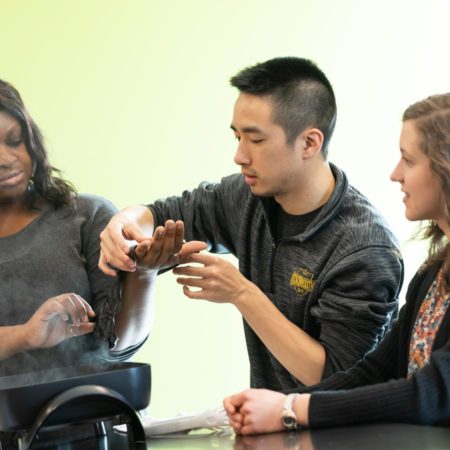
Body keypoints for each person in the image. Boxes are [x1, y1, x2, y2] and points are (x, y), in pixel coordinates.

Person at [99, 57, 403, 389]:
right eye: (237, 137)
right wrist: (122, 225)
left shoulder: (365, 249)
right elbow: (158, 213)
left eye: (255, 140)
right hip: (273, 429)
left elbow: (339, 377)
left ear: (309, 143)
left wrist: (242, 293)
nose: (240, 155)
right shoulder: (248, 196)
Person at [223, 92, 450, 433]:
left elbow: (427, 395)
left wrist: (290, 408)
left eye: (408, 160)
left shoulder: (367, 248)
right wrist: (280, 407)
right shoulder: (432, 273)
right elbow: (374, 371)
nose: (395, 174)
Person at [0, 79, 205, 375]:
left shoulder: (86, 216)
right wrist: (25, 335)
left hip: (90, 412)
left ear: (32, 141)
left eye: (15, 141)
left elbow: (116, 348)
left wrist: (143, 275)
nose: (5, 160)